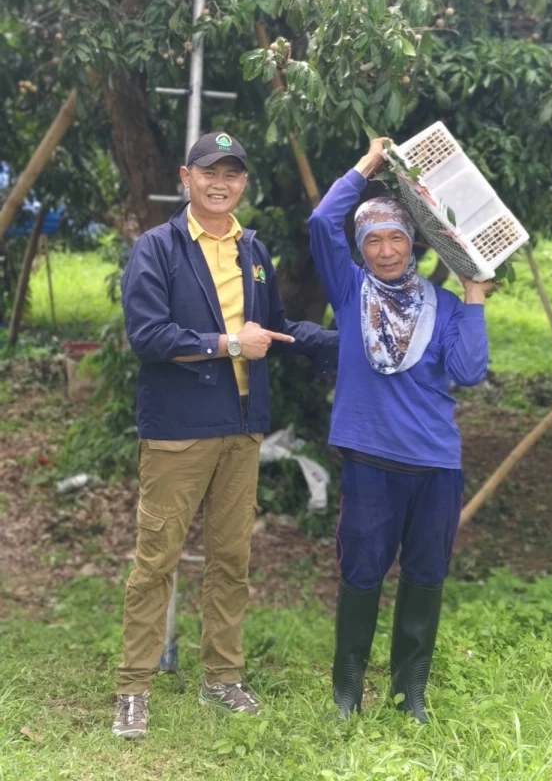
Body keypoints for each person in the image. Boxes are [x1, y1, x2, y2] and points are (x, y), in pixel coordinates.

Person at [113, 130, 337, 738]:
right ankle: (133, 688)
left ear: (242, 184)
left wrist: (350, 347)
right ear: (186, 177)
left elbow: (279, 326)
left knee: (231, 559)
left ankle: (222, 679)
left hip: (242, 428)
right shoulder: (157, 249)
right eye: (210, 171)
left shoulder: (253, 249)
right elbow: (149, 336)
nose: (221, 183)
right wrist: (229, 343)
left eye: (233, 174)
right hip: (179, 432)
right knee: (156, 560)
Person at [309, 136, 493, 723]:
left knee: (425, 576)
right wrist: (368, 164)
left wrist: (473, 296)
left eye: (395, 237)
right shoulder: (350, 291)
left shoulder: (443, 304)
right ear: (360, 250)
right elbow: (320, 220)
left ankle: (408, 693)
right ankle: (346, 693)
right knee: (361, 574)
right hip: (370, 460)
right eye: (372, 241)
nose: (386, 250)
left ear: (412, 242)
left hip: (436, 465)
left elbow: (468, 371)